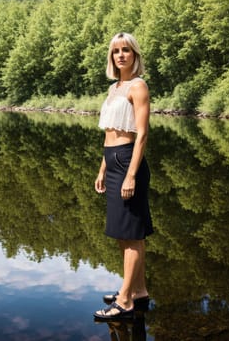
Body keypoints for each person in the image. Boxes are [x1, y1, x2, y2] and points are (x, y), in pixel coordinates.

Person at [93, 32, 153, 320]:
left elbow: (141, 134)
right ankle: (138, 290)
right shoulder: (115, 88)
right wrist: (103, 168)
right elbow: (110, 131)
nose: (121, 55)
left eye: (126, 50)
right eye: (116, 51)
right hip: (113, 161)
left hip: (129, 160)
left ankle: (126, 299)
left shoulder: (138, 86)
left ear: (134, 54)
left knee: (131, 234)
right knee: (124, 233)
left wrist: (131, 175)